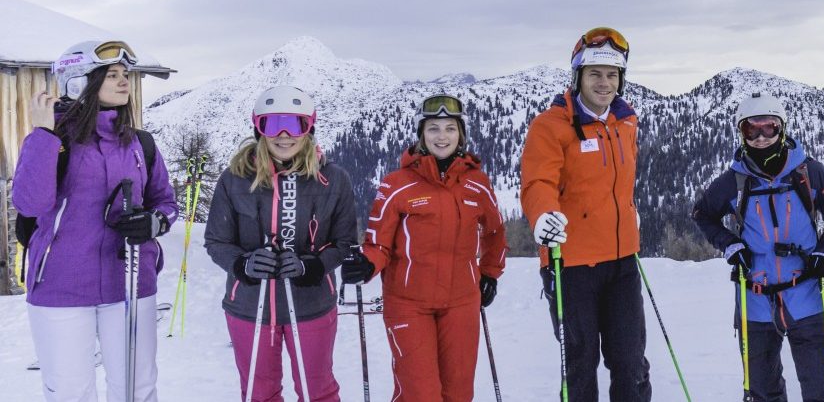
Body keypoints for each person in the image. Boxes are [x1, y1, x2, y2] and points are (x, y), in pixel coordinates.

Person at [13, 41, 177, 402]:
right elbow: (29, 203)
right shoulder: (50, 139)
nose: (124, 82)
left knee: (137, 388)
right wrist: (43, 135)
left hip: (131, 281)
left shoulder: (140, 143)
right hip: (62, 285)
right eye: (111, 75)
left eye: (125, 75)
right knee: (71, 392)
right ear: (78, 82)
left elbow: (165, 202)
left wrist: (155, 222)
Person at [341, 93, 508, 401]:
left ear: (461, 134)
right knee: (420, 392)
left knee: (458, 392)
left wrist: (490, 273)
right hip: (408, 303)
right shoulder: (397, 184)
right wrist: (366, 264)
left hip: (461, 301)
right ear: (421, 134)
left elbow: (495, 232)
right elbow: (378, 243)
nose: (441, 136)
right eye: (433, 128)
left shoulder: (477, 183)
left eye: (449, 128)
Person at [690, 92, 824, 401]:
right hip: (755, 295)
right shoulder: (734, 181)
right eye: (752, 129)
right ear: (742, 133)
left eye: (770, 127)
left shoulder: (807, 172)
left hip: (805, 291)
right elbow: (703, 214)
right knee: (762, 390)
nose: (762, 136)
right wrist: (730, 245)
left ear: (783, 129)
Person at [204, 86, 361, 402]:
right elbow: (217, 240)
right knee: (259, 392)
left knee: (318, 391)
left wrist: (315, 265)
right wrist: (241, 264)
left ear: (310, 129)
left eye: (297, 124)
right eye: (272, 125)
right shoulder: (235, 178)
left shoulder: (334, 178)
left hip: (312, 305)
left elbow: (345, 241)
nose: (284, 135)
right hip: (250, 305)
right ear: (258, 129)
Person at [520, 27, 651, 401]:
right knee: (581, 363)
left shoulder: (625, 123)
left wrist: (628, 213)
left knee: (630, 363)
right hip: (571, 264)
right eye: (594, 74)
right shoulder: (551, 125)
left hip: (622, 261)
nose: (604, 83)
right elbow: (537, 182)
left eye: (612, 75)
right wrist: (543, 215)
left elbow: (615, 184)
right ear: (578, 76)